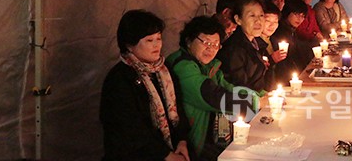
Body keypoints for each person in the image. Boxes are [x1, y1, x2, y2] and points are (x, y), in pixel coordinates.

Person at [167, 16, 262, 160]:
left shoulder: (209, 66)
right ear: (188, 41)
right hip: (191, 142)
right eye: (206, 42)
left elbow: (228, 88)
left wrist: (261, 95)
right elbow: (212, 96)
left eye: (216, 44)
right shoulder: (182, 66)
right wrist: (255, 102)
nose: (211, 49)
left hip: (212, 136)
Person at [100, 10, 190, 161]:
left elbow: (178, 107)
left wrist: (182, 140)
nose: (157, 45)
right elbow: (129, 129)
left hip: (170, 150)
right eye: (149, 40)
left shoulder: (164, 70)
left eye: (159, 38)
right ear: (129, 45)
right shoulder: (119, 79)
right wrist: (166, 155)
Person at [217, 0, 268, 93]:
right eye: (252, 15)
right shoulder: (234, 49)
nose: (258, 20)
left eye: (261, 15)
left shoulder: (255, 43)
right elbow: (240, 87)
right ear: (238, 19)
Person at [272, 0, 314, 84]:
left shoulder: (291, 30)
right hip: (284, 79)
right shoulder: (280, 31)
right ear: (287, 12)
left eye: (302, 16)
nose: (300, 19)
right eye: (296, 14)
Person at [256, 2, 287, 89]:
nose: (272, 25)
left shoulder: (274, 40)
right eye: (267, 21)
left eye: (275, 22)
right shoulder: (254, 42)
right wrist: (272, 59)